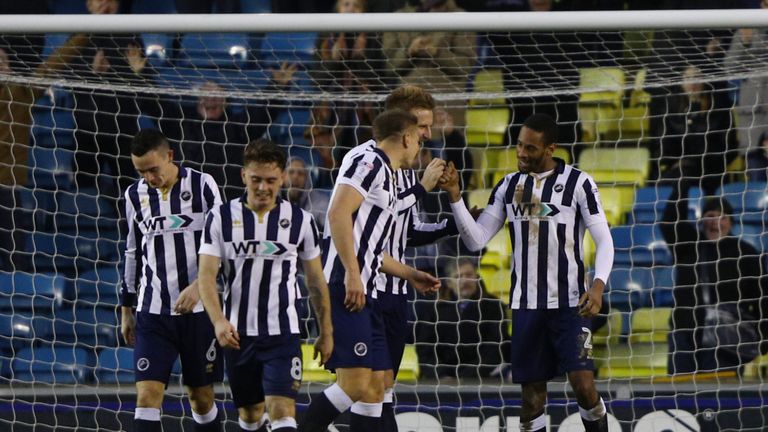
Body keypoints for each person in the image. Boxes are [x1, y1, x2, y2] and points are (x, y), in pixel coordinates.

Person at [441, 113, 614, 432]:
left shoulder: (579, 183)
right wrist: (455, 197)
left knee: (584, 386)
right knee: (532, 398)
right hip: (525, 307)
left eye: (530, 148)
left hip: (571, 305)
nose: (521, 153)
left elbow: (604, 240)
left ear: (550, 148)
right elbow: (475, 239)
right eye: (519, 145)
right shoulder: (508, 186)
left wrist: (599, 286)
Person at [298, 109, 441, 432]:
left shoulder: (389, 174)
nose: (421, 144)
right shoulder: (370, 162)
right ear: (405, 137)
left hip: (369, 288)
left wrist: (409, 273)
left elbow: (372, 248)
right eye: (418, 137)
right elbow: (337, 213)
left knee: (377, 385)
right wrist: (352, 272)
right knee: (356, 383)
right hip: (346, 285)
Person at [197, 138, 334, 432]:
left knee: (283, 411)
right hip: (237, 335)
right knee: (250, 414)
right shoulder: (219, 217)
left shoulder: (301, 220)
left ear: (282, 177)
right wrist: (218, 321)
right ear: (243, 175)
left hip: (282, 334)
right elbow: (206, 276)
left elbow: (315, 280)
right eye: (256, 179)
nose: (262, 187)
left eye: (271, 180)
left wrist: (326, 331)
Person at [120, 129, 224, 432]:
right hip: (153, 312)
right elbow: (132, 252)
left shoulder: (203, 185)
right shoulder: (133, 195)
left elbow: (222, 243)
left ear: (169, 156)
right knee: (148, 395)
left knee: (201, 398)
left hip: (199, 314)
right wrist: (127, 309)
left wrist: (199, 287)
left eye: (153, 169)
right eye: (142, 172)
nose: (150, 177)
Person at [0, 34, 89, 271]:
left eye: (4, 60)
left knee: (14, 261)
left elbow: (54, 64)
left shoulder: (20, 92)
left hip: (7, 190)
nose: (2, 64)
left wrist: (83, 35)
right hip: (9, 188)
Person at [661, 179, 767, 374]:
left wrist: (762, 339)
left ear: (731, 223)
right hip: (684, 335)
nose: (715, 221)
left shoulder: (747, 253)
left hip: (726, 339)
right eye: (710, 215)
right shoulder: (688, 245)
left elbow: (762, 299)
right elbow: (669, 221)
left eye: (722, 217)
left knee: (721, 400)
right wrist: (684, 183)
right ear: (701, 221)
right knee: (679, 399)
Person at [415, 258, 510, 381]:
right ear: (449, 283)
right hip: (441, 380)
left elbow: (493, 349)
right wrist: (441, 375)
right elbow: (425, 350)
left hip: (482, 377)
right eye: (458, 276)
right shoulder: (432, 309)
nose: (465, 280)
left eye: (469, 275)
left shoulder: (494, 306)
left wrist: (466, 377)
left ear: (476, 277)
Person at [649, 65, 736, 194]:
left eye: (697, 77)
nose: (692, 82)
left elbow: (729, 146)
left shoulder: (720, 107)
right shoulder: (671, 109)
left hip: (712, 170)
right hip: (679, 168)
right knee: (672, 181)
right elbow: (663, 147)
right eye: (688, 78)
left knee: (682, 180)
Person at [724, 6, 768, 154]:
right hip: (753, 112)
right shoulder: (746, 32)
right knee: (756, 170)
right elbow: (730, 67)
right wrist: (745, 43)